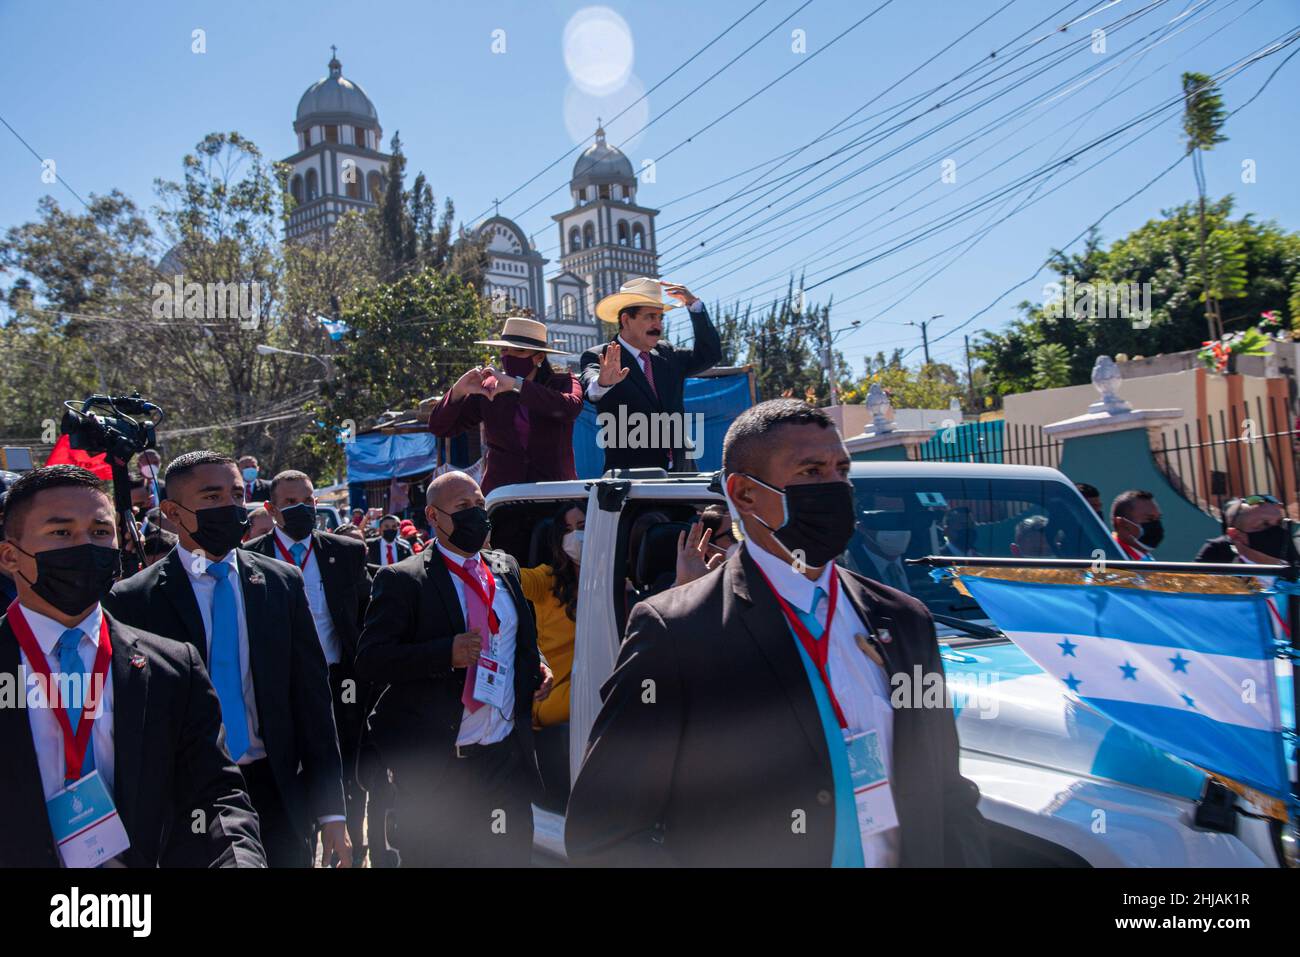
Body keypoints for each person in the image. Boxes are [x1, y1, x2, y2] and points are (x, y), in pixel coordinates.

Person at [565, 400, 989, 867]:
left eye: (841, 470)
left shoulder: (905, 621)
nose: (834, 487)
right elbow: (603, 838)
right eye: (810, 472)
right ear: (744, 493)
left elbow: (948, 790)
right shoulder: (677, 633)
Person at [0, 465, 265, 867]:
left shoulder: (172, 668)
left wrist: (239, 860)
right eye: (61, 533)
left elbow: (213, 797)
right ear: (9, 556)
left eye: (100, 532)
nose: (86, 545)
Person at [105, 451, 350, 868]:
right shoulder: (134, 600)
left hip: (275, 789)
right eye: (212, 496)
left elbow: (312, 700)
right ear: (172, 512)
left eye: (237, 494)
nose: (231, 507)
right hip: (187, 798)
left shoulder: (280, 583)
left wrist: (332, 813)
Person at [354, 470, 553, 866]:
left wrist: (539, 666)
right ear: (433, 515)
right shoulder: (404, 580)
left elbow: (517, 639)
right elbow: (371, 661)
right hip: (440, 768)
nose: (476, 514)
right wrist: (444, 653)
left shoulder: (505, 568)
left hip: (503, 761)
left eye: (479, 505)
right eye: (463, 507)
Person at [243, 469, 372, 866]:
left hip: (338, 684)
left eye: (308, 500)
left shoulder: (346, 552)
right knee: (293, 775)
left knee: (347, 773)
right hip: (279, 689)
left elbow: (364, 616)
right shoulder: (252, 557)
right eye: (290, 503)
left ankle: (348, 848)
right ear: (271, 509)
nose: (302, 509)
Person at [580, 277, 722, 473]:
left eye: (660, 317)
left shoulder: (667, 354)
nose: (658, 325)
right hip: (634, 479)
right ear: (626, 320)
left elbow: (710, 354)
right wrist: (603, 383)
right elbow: (591, 390)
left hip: (682, 471)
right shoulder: (601, 356)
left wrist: (694, 306)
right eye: (650, 317)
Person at [429, 317, 583, 495]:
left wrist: (516, 385)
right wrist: (457, 391)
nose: (509, 356)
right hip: (502, 494)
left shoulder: (562, 381)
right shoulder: (490, 386)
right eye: (504, 350)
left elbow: (570, 408)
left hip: (555, 492)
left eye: (518, 351)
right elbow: (439, 427)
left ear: (539, 356)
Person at [519, 502, 585, 812]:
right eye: (568, 531)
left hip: (598, 699)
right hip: (556, 702)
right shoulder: (547, 579)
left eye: (583, 527)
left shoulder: (615, 578)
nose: (576, 537)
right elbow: (513, 577)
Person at [1196, 495, 1297, 565]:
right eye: (1264, 524)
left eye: (1280, 522)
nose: (1277, 530)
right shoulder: (1225, 583)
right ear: (1236, 535)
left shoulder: (1293, 575)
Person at [1112, 489, 1162, 561]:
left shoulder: (1141, 558)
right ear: (1121, 524)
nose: (1156, 524)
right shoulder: (1112, 558)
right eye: (1149, 519)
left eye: (1158, 518)